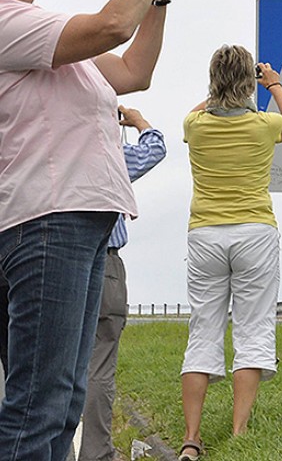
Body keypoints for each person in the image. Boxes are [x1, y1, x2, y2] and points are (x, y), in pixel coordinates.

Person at [0, 0, 177, 459]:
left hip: (73, 220)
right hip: (44, 219)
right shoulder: (7, 22)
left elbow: (133, 72)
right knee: (39, 403)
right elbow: (112, 26)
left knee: (63, 399)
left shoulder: (41, 37)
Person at [178, 46, 282, 459]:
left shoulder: (194, 125)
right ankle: (239, 433)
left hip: (206, 234)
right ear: (250, 82)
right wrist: (273, 83)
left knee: (203, 330)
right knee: (253, 329)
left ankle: (192, 438)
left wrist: (219, 91)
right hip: (254, 232)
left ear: (212, 81)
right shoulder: (264, 124)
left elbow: (202, 110)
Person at [78, 106, 167, 461]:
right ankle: (96, 453)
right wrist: (137, 120)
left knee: (54, 365)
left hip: (53, 259)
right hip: (106, 259)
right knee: (100, 364)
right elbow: (156, 148)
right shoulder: (109, 154)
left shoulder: (51, 148)